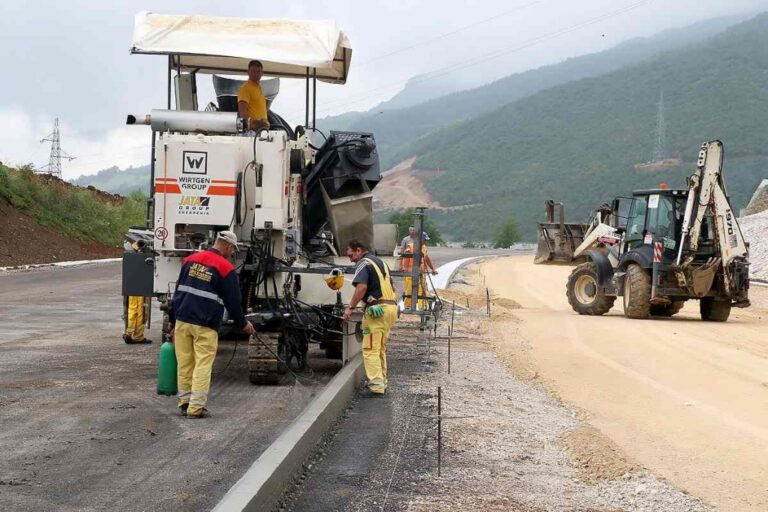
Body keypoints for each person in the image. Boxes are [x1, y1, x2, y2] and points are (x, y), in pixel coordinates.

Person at [169, 231, 255, 418]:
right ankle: (196, 408)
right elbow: (234, 302)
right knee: (202, 364)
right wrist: (243, 324)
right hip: (205, 324)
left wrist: (172, 321)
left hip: (182, 319)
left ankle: (184, 403)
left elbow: (177, 292)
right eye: (232, 250)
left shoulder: (190, 260)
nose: (232, 254)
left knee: (184, 363)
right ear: (228, 246)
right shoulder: (225, 268)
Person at [343, 239, 398, 397]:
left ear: (359, 250)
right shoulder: (381, 263)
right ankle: (382, 382)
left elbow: (362, 287)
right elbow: (393, 287)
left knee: (370, 349)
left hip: (377, 311)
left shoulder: (363, 263)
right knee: (379, 348)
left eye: (351, 255)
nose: (351, 259)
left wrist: (350, 308)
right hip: (390, 309)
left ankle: (375, 387)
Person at [123, 240, 151, 344]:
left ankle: (129, 332)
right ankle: (138, 336)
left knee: (132, 309)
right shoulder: (146, 256)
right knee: (142, 311)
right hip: (142, 286)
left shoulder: (130, 256)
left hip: (132, 286)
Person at [402, 232, 438, 309]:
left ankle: (422, 307)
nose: (425, 241)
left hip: (421, 273)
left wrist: (432, 269)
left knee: (423, 289)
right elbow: (405, 257)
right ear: (419, 239)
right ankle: (407, 307)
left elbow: (427, 258)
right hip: (410, 273)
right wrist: (405, 270)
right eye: (424, 239)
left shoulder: (424, 247)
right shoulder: (410, 247)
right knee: (410, 290)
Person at [237, 59, 270, 132]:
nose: (255, 74)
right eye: (253, 71)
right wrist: (252, 125)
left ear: (262, 73)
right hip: (252, 133)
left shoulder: (259, 88)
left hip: (261, 132)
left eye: (258, 71)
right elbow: (242, 111)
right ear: (248, 72)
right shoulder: (245, 88)